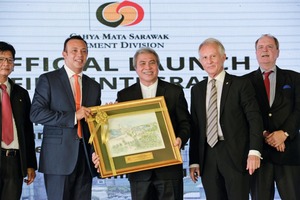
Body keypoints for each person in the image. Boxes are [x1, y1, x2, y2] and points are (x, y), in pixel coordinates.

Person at [93, 47, 191, 200]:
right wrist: (107, 117)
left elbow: (185, 124)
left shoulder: (174, 91)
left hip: (168, 169)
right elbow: (116, 131)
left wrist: (180, 138)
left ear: (158, 66)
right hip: (138, 172)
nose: (147, 67)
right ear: (135, 68)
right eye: (142, 63)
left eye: (152, 63)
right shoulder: (125, 95)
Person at [189, 38, 264, 200]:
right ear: (200, 61)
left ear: (223, 57)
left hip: (236, 156)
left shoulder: (240, 84)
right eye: (204, 58)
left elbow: (255, 119)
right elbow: (196, 128)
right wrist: (194, 161)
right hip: (208, 157)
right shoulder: (197, 90)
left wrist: (254, 152)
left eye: (213, 56)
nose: (209, 61)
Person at [30, 35, 101, 200]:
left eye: (84, 51)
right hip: (58, 160)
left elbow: (93, 125)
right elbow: (36, 113)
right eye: (74, 51)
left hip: (85, 160)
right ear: (64, 54)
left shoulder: (94, 86)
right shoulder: (48, 79)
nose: (79, 55)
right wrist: (73, 117)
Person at [244, 34, 300, 200]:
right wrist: (264, 134)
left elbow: (299, 109)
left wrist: (284, 133)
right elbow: (242, 116)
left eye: (269, 47)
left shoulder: (295, 78)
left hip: (289, 152)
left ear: (278, 52)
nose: (265, 50)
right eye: (260, 47)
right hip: (259, 155)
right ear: (255, 53)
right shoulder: (244, 83)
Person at [0, 41, 37, 200]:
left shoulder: (21, 93)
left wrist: (30, 164)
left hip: (15, 161)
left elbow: (28, 131)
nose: (6, 63)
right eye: (1, 59)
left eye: (10, 60)